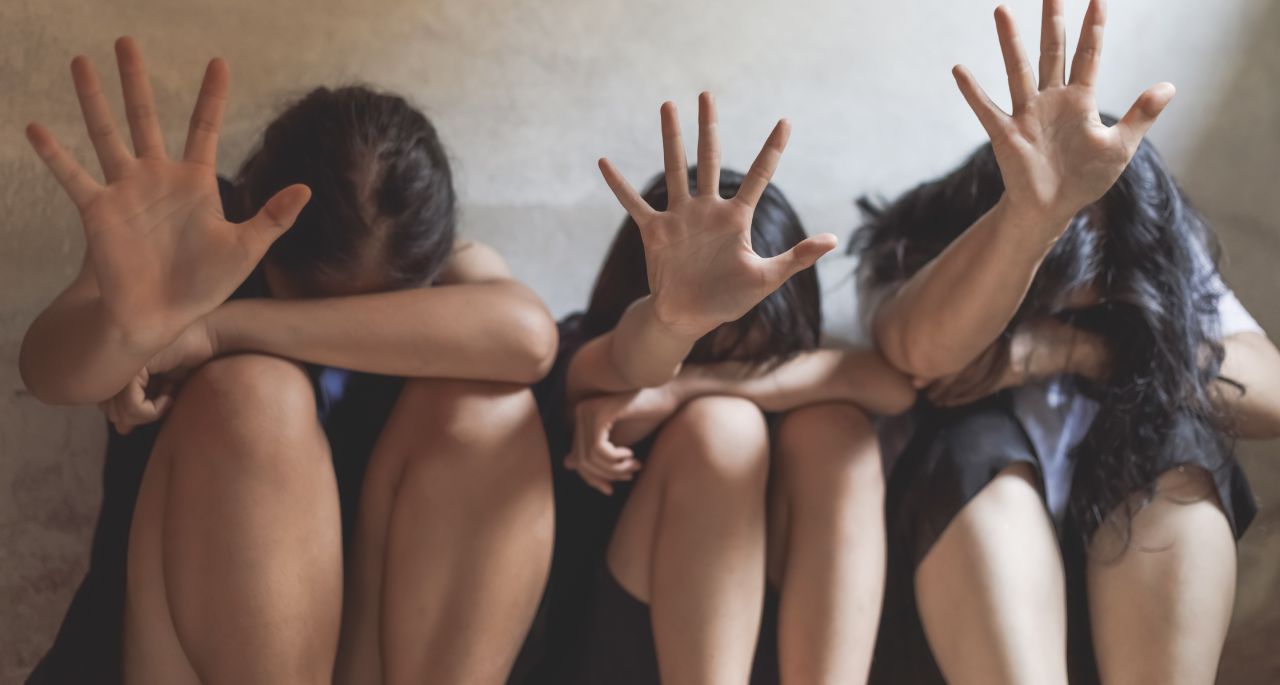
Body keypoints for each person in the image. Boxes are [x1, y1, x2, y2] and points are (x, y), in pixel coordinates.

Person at [22, 38, 557, 685]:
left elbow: (528, 340)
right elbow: (49, 370)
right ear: (256, 209)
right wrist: (126, 332)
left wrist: (218, 331)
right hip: (171, 653)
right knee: (255, 394)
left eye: (379, 308)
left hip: (376, 655)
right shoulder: (186, 238)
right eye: (312, 296)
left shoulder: (453, 267)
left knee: (486, 403)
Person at [852, 1, 1280, 683]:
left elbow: (1271, 393)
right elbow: (914, 350)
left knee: (1175, 443)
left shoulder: (1157, 255)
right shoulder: (934, 240)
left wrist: (1075, 351)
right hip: (948, 591)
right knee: (974, 443)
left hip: (1119, 592)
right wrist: (1028, 219)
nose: (1084, 299)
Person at [527, 93, 915, 685]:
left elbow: (891, 387)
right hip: (615, 650)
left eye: (749, 343)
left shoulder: (795, 369)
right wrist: (672, 324)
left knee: (836, 431)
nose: (731, 347)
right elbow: (626, 366)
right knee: (723, 428)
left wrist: (687, 388)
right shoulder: (592, 354)